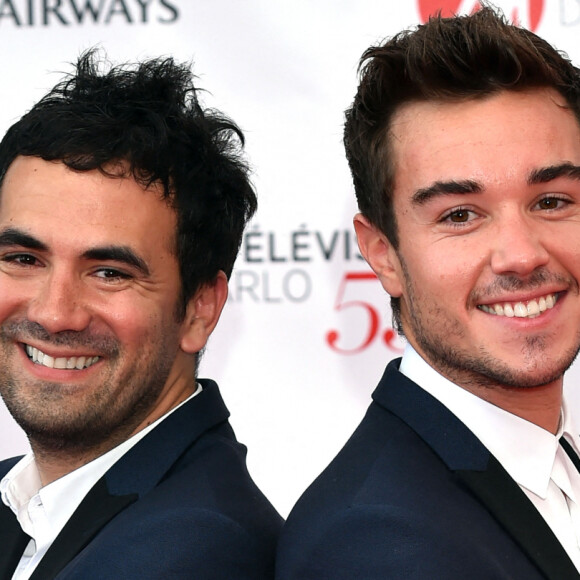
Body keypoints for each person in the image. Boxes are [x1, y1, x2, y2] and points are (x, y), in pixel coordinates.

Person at [276, 6, 580, 580]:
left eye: (552, 201)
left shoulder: (554, 458)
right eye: (461, 214)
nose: (521, 254)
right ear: (383, 254)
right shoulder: (371, 545)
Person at [0, 50, 282, 580]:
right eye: (23, 259)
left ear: (201, 309)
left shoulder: (201, 554)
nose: (55, 312)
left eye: (109, 272)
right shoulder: (24, 501)